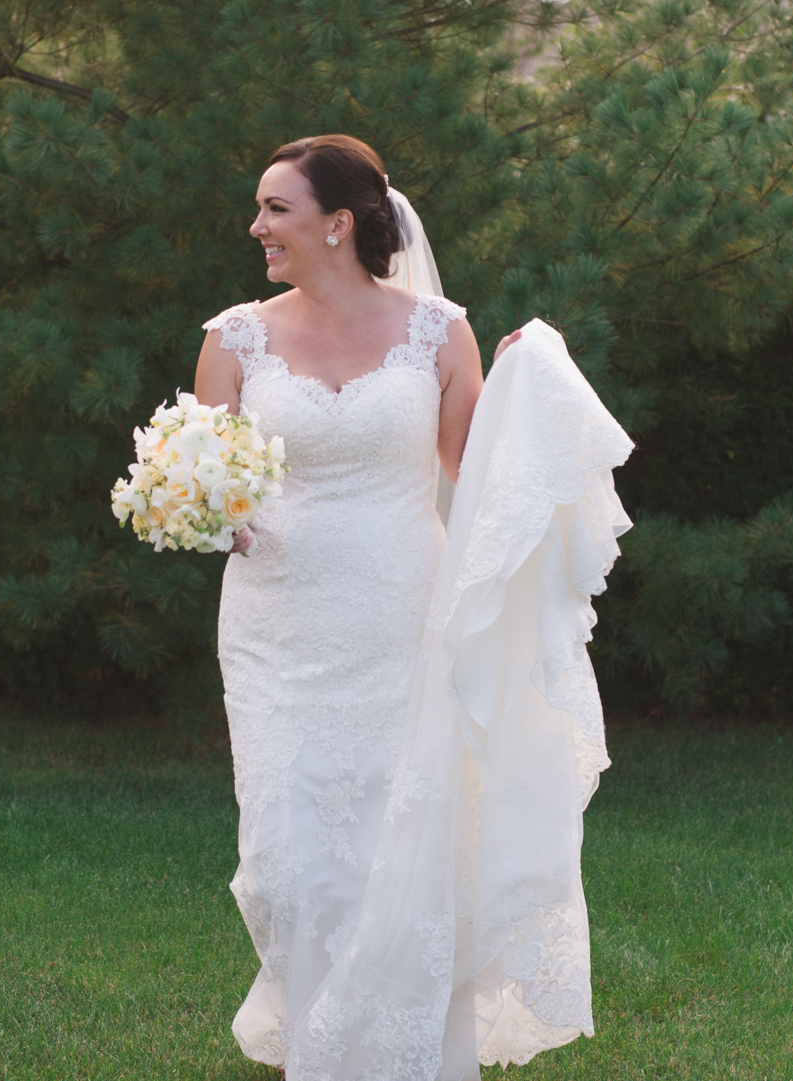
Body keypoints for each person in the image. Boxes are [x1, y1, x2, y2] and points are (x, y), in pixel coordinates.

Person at [195, 134, 632, 1080]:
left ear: (337, 224)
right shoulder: (233, 338)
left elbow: (470, 470)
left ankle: (393, 1053)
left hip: (399, 618)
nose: (257, 225)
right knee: (287, 857)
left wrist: (520, 383)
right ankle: (321, 1034)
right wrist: (198, 509)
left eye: (276, 208)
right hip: (276, 627)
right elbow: (205, 476)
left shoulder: (438, 330)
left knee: (397, 840)